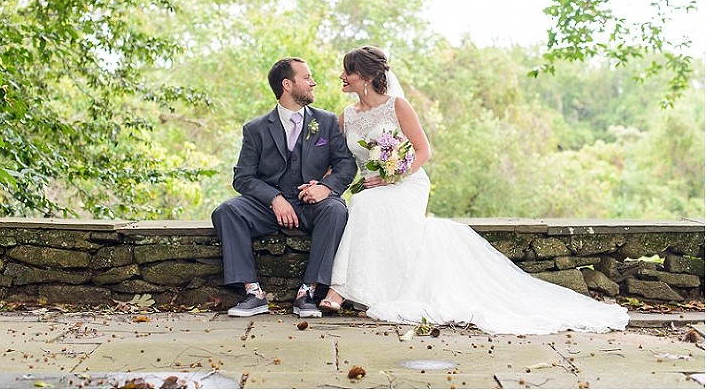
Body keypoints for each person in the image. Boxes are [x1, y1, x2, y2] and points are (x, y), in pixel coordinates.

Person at [318, 46, 629, 335]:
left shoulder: (397, 106)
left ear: (367, 77)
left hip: (406, 183)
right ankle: (360, 288)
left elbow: (424, 151)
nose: (342, 76)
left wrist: (391, 176)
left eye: (348, 71)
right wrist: (322, 183)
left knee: (364, 204)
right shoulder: (347, 115)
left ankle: (340, 289)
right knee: (363, 200)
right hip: (371, 186)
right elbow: (341, 162)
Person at [212, 57, 357, 319]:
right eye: (306, 77)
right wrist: (274, 198)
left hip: (313, 204)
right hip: (269, 208)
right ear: (287, 85)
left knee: (336, 210)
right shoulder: (255, 129)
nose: (313, 82)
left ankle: (309, 292)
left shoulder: (326, 122)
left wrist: (325, 188)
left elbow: (346, 165)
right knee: (227, 211)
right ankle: (252, 293)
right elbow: (242, 177)